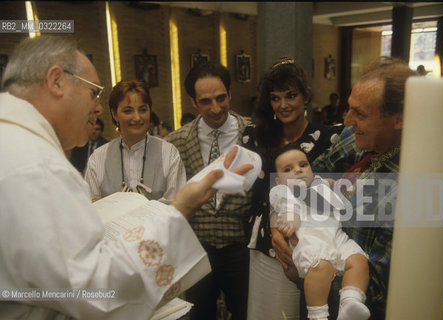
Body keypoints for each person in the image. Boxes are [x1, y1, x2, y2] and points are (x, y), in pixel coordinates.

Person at [0, 35, 254, 319]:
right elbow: (96, 292)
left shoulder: (13, 145)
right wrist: (181, 208)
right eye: (93, 92)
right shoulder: (37, 167)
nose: (96, 108)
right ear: (57, 81)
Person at [274, 56, 417, 319]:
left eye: (360, 114)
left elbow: (378, 286)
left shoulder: (411, 183)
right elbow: (302, 180)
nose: (347, 120)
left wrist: (308, 270)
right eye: (349, 108)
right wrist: (280, 221)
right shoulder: (355, 137)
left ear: (399, 119)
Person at [242, 57, 334, 320]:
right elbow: (254, 192)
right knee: (266, 313)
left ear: (305, 96)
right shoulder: (256, 136)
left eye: (290, 95)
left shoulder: (326, 139)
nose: (282, 105)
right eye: (275, 97)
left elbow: (325, 195)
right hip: (265, 242)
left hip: (310, 241)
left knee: (306, 311)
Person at [165, 62, 251, 320]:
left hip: (242, 248)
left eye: (221, 98)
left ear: (230, 94)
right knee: (198, 314)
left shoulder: (253, 135)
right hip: (196, 248)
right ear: (193, 102)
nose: (215, 108)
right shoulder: (176, 142)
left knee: (247, 312)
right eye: (205, 101)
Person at [270, 144, 370, 320]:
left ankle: (350, 303)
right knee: (321, 267)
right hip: (311, 243)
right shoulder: (284, 191)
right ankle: (318, 315)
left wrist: (332, 185)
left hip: (337, 238)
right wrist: (290, 220)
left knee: (358, 261)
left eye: (303, 165)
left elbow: (336, 197)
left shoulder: (320, 183)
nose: (298, 170)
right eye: (288, 169)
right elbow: (287, 207)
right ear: (278, 180)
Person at [85, 80, 185, 203]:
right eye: (128, 111)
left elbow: (178, 206)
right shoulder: (98, 157)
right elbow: (91, 206)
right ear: (114, 114)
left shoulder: (169, 153)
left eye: (143, 110)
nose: (137, 117)